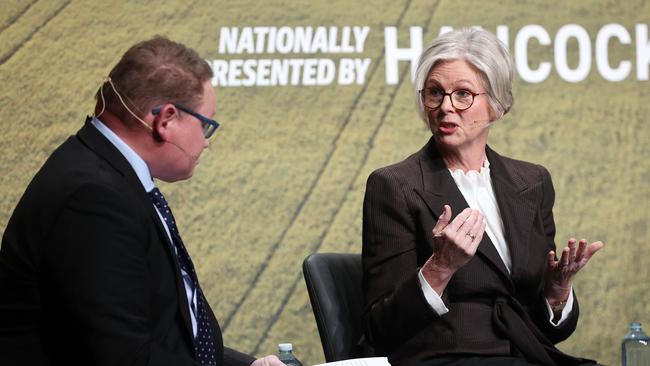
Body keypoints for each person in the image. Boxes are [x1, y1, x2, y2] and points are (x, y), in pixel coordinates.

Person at [0, 36, 284, 366]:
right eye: (205, 125)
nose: (206, 143)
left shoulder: (106, 173)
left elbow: (163, 336)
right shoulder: (92, 198)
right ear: (166, 120)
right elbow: (126, 356)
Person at [361, 28, 604, 366]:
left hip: (528, 355)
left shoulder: (532, 182)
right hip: (449, 357)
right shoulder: (394, 185)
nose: (446, 107)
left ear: (497, 105)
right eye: (435, 93)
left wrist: (557, 292)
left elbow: (546, 330)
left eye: (463, 94)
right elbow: (380, 328)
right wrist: (440, 267)